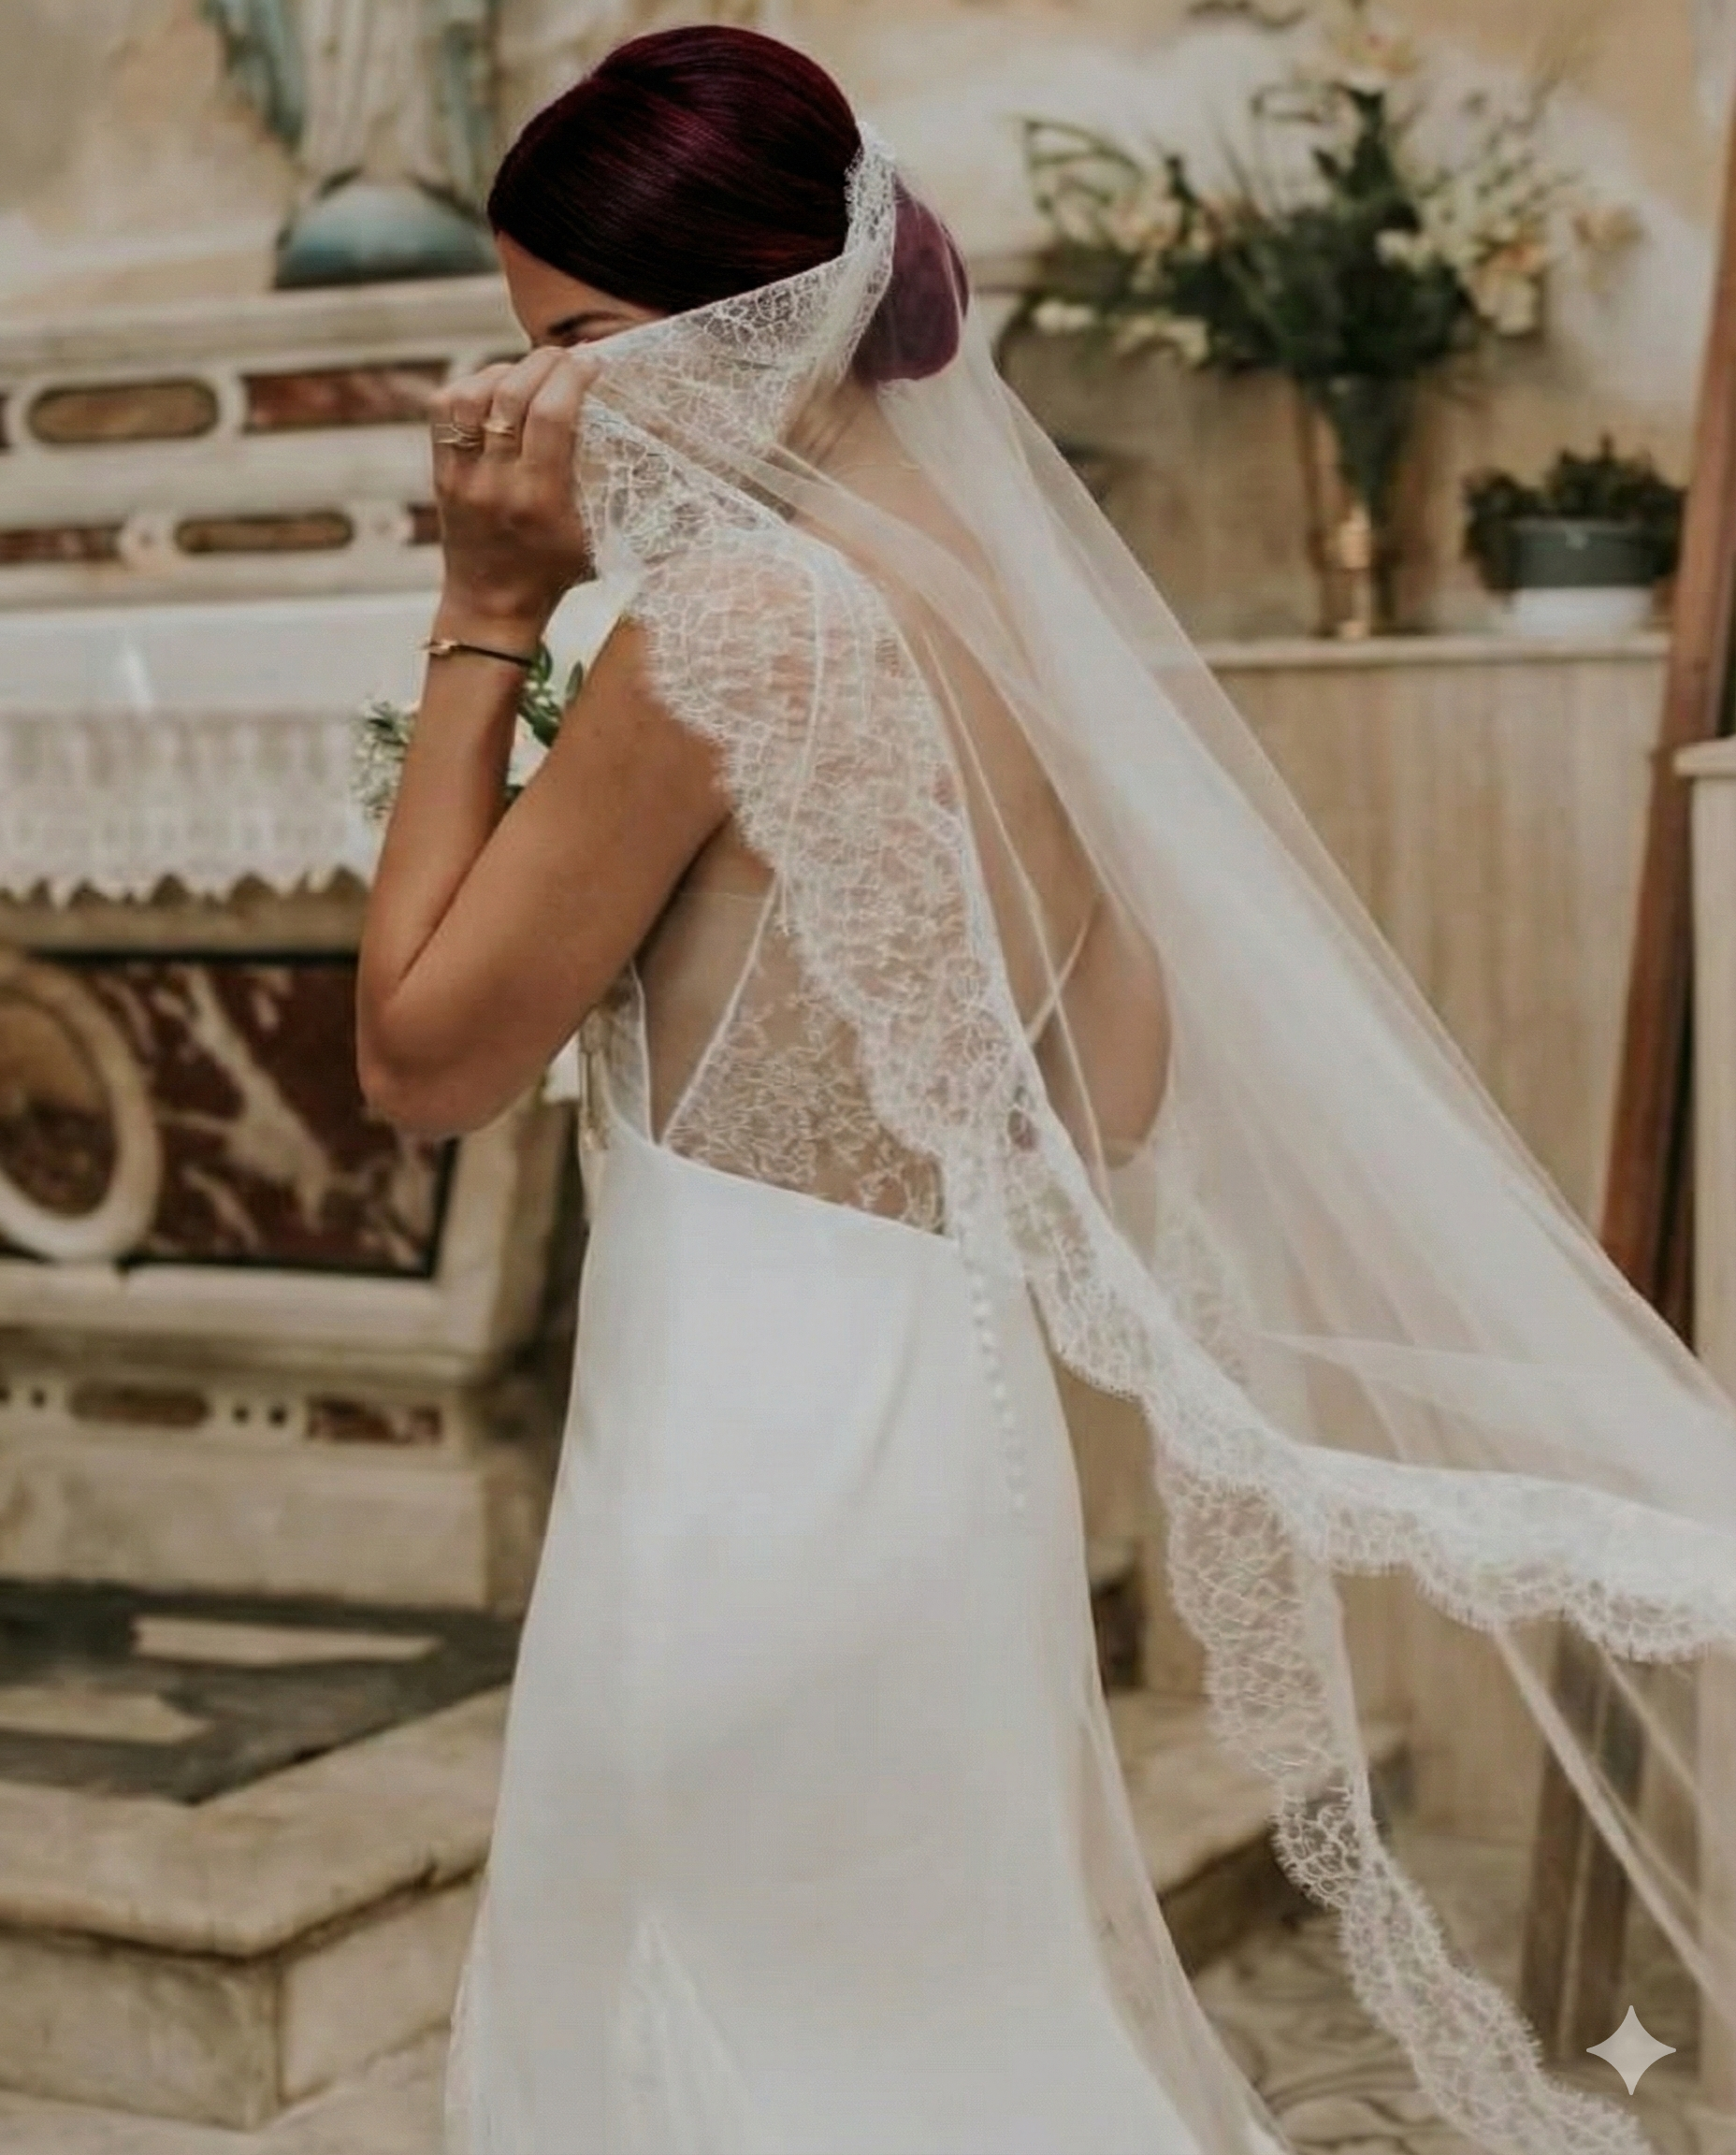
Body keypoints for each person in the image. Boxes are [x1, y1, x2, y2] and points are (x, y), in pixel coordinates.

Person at [356, 26, 1736, 2155]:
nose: (533, 403)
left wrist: (480, 616)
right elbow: (1106, 1087)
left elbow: (422, 1064)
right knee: (931, 2010)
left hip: (738, 1457)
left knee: (715, 2012)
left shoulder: (726, 629)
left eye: (579, 339)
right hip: (949, 1436)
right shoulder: (1003, 602)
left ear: (753, 319)